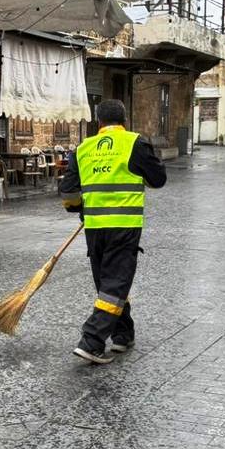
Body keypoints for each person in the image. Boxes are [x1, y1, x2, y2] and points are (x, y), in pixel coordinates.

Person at [59, 99, 167, 365]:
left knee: (108, 282)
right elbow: (159, 180)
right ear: (124, 120)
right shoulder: (135, 143)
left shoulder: (83, 148)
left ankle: (123, 333)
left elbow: (69, 192)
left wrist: (77, 207)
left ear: (98, 122)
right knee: (115, 283)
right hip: (123, 226)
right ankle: (92, 341)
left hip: (95, 228)